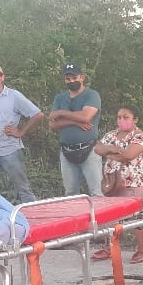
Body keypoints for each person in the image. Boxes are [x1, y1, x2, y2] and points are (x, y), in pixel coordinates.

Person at [0, 63, 44, 203]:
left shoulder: (13, 96)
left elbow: (38, 115)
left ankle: (35, 216)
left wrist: (21, 132)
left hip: (10, 149)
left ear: (2, 77)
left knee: (23, 187)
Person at [93, 105, 143, 263]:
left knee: (134, 216)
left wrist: (109, 152)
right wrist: (112, 149)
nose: (121, 120)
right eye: (119, 117)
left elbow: (129, 155)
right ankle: (109, 248)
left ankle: (142, 250)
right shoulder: (111, 135)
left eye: (126, 117)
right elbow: (97, 148)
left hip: (132, 183)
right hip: (111, 183)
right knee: (109, 216)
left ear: (135, 120)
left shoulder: (140, 136)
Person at [49, 62, 102, 196]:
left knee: (96, 191)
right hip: (66, 150)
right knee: (71, 193)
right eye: (68, 78)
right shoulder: (60, 97)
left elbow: (86, 117)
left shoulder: (92, 95)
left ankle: (100, 217)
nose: (71, 81)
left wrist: (62, 113)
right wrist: (76, 123)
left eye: (74, 77)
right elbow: (52, 124)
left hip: (89, 149)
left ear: (82, 77)